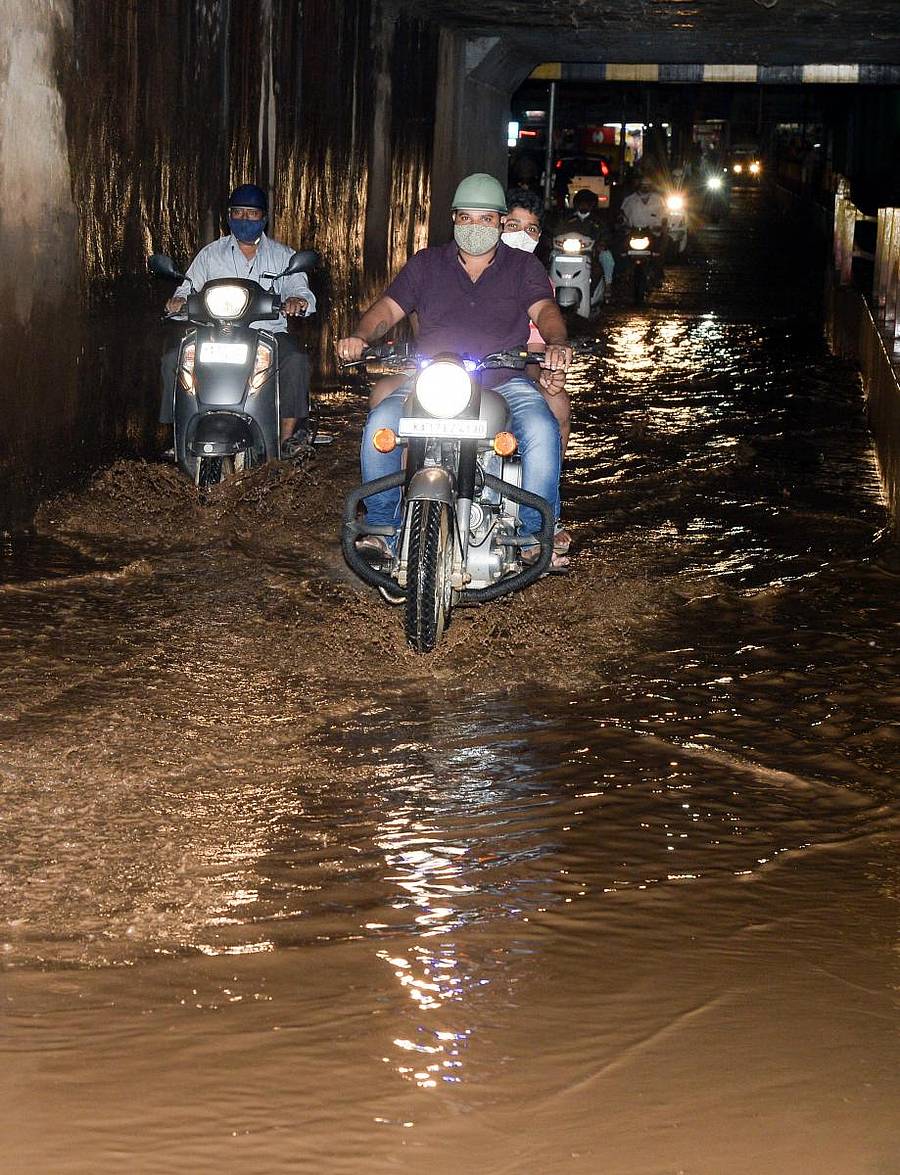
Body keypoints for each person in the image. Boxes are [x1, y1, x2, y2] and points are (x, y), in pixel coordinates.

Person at [336, 172, 573, 570]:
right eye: (466, 218)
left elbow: (545, 310)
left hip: (503, 380)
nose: (475, 226)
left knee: (540, 428)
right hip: (433, 380)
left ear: (500, 222)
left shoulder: (523, 267)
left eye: (485, 219)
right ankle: (381, 527)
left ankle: (535, 535)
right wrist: (360, 336)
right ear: (453, 219)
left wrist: (557, 341)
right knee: (381, 421)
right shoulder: (426, 264)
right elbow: (387, 310)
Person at [160, 183, 315, 449]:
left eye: (252, 214)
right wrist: (178, 302)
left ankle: (286, 439)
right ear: (229, 216)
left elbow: (301, 291)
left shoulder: (283, 256)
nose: (245, 219)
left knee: (296, 360)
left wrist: (296, 301)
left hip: (268, 335)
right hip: (214, 333)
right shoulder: (210, 254)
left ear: (264, 218)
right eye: (238, 212)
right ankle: (177, 434)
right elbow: (188, 287)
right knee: (173, 360)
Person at [502, 187, 572, 455]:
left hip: (514, 370)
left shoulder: (540, 284)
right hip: (458, 370)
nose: (521, 235)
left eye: (530, 229)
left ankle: (548, 479)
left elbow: (536, 346)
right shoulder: (467, 266)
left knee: (558, 404)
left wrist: (544, 373)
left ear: (539, 236)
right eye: (513, 226)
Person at [554, 188, 615, 299]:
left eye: (587, 203)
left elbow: (606, 234)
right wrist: (553, 240)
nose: (584, 205)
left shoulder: (598, 221)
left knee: (607, 257)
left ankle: (608, 284)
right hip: (567, 252)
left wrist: (602, 244)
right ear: (576, 204)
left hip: (591, 252)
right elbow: (557, 233)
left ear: (592, 205)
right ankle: (548, 286)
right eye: (581, 202)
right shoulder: (568, 219)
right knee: (552, 255)